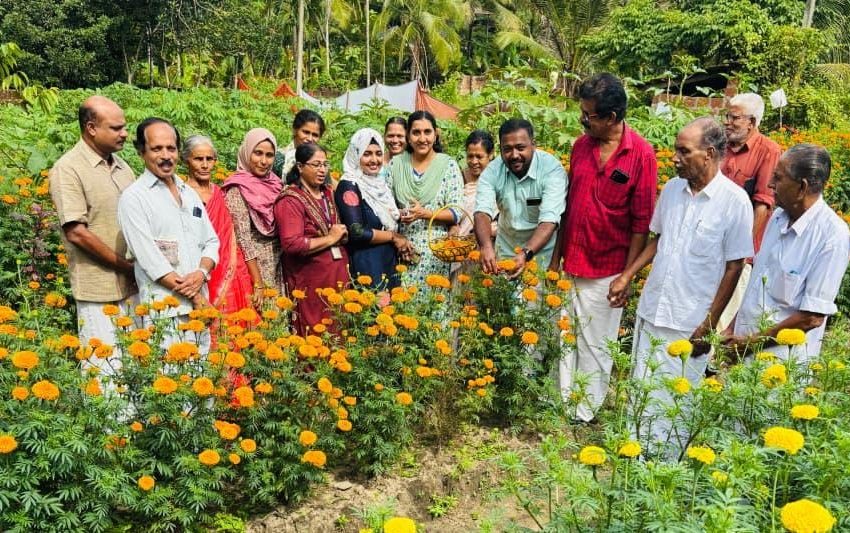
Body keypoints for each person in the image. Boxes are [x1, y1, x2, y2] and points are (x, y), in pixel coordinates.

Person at [608, 117, 752, 454]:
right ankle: (634, 457)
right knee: (642, 389)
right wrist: (628, 275)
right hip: (654, 307)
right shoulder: (672, 190)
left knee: (676, 399)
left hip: (690, 320)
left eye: (683, 151)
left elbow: (734, 267)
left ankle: (665, 468)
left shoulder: (734, 203)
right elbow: (658, 240)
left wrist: (710, 324)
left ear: (709, 154)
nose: (673, 157)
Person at [548, 73, 658, 423]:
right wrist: (555, 259)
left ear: (611, 118)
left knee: (595, 344)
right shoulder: (581, 147)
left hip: (608, 269)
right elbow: (568, 206)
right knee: (564, 339)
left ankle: (586, 412)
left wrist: (626, 276)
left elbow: (642, 223)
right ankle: (564, 405)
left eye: (589, 115)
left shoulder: (641, 155)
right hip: (572, 261)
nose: (582, 120)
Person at [724, 144, 850, 361]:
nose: (770, 184)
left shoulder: (832, 235)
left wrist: (751, 343)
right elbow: (756, 284)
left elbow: (811, 318)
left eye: (778, 178)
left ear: (802, 187)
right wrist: (732, 328)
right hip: (745, 353)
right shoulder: (778, 217)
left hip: (782, 365)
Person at [49, 95, 138, 378]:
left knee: (137, 367)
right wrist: (124, 266)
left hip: (133, 286)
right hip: (98, 289)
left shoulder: (124, 167)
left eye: (124, 127)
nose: (124, 133)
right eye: (115, 128)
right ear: (91, 128)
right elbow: (76, 232)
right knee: (105, 371)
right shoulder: (69, 168)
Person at [117, 118, 219, 348]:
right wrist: (195, 296)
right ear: (141, 152)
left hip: (199, 309)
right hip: (166, 312)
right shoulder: (134, 198)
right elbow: (151, 260)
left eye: (171, 148)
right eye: (157, 149)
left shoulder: (189, 193)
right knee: (171, 378)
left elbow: (211, 240)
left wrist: (202, 272)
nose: (166, 155)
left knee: (201, 377)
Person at [716, 93, 783, 331]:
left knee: (722, 313)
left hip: (738, 250)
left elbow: (763, 204)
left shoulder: (768, 151)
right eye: (727, 116)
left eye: (734, 117)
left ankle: (708, 360)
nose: (727, 122)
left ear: (751, 122)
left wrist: (742, 250)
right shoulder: (720, 146)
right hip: (711, 240)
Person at [473, 118, 567, 275]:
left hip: (541, 256)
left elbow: (549, 220)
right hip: (505, 254)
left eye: (520, 148)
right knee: (503, 298)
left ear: (533, 145)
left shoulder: (552, 170)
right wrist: (486, 246)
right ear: (500, 149)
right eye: (507, 149)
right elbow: (482, 211)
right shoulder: (493, 171)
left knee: (539, 299)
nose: (514, 155)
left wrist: (526, 253)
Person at [276, 143, 350, 334]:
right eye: (316, 165)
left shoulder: (327, 193)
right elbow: (292, 244)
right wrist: (331, 238)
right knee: (314, 336)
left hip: (336, 279)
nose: (322, 170)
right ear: (300, 167)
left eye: (325, 164)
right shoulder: (291, 199)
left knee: (338, 334)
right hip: (310, 283)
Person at [388, 111, 463, 284]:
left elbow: (456, 212)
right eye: (416, 132)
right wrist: (398, 213)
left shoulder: (448, 165)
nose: (422, 139)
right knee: (402, 303)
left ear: (436, 134)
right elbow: (385, 206)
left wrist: (424, 213)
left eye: (427, 132)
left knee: (433, 305)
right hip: (403, 250)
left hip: (436, 252)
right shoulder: (396, 164)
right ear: (408, 136)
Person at [335, 128, 414, 289]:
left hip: (387, 260)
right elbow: (357, 231)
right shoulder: (350, 186)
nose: (374, 160)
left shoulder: (379, 184)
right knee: (372, 312)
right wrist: (393, 236)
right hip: (367, 264)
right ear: (355, 155)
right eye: (367, 154)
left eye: (378, 153)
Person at [182, 135, 253, 313]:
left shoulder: (221, 193)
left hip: (230, 267)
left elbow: (231, 235)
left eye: (209, 159)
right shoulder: (182, 195)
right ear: (186, 160)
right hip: (199, 268)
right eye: (198, 159)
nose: (205, 165)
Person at [222, 128, 284, 306]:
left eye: (269, 155)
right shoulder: (237, 189)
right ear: (246, 152)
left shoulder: (276, 184)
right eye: (257, 153)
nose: (264, 161)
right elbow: (244, 240)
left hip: (279, 265)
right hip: (254, 270)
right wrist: (258, 283)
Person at [273, 109, 326, 179]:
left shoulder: (320, 161)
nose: (310, 139)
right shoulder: (279, 157)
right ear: (295, 130)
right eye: (306, 132)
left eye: (315, 135)